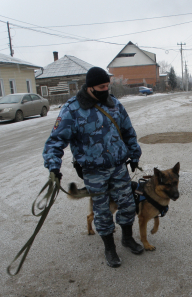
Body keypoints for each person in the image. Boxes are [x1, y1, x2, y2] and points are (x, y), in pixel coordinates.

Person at [42, 67, 143, 268]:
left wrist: (134, 154)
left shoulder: (114, 104)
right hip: (93, 171)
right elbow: (55, 141)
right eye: (101, 87)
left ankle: (127, 238)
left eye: (108, 85)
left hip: (118, 166)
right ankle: (109, 248)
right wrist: (54, 167)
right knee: (103, 211)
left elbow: (128, 131)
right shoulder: (72, 109)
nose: (106, 89)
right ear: (89, 87)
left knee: (128, 204)